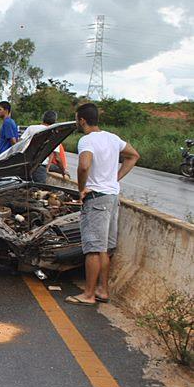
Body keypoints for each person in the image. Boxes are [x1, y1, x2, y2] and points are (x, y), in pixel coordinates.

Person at [66, 102, 139, 307]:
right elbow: (134, 156)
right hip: (112, 197)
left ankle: (88, 295)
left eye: (77, 119)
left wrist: (81, 189)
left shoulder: (86, 140)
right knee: (104, 249)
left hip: (96, 198)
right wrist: (115, 179)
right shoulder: (113, 138)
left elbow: (83, 166)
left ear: (82, 120)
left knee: (92, 248)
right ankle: (102, 290)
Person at [19, 110, 68, 183]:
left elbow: (19, 144)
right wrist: (64, 172)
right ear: (55, 121)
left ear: (43, 118)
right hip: (39, 167)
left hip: (24, 165)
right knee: (40, 190)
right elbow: (57, 158)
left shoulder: (31, 128)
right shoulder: (54, 133)